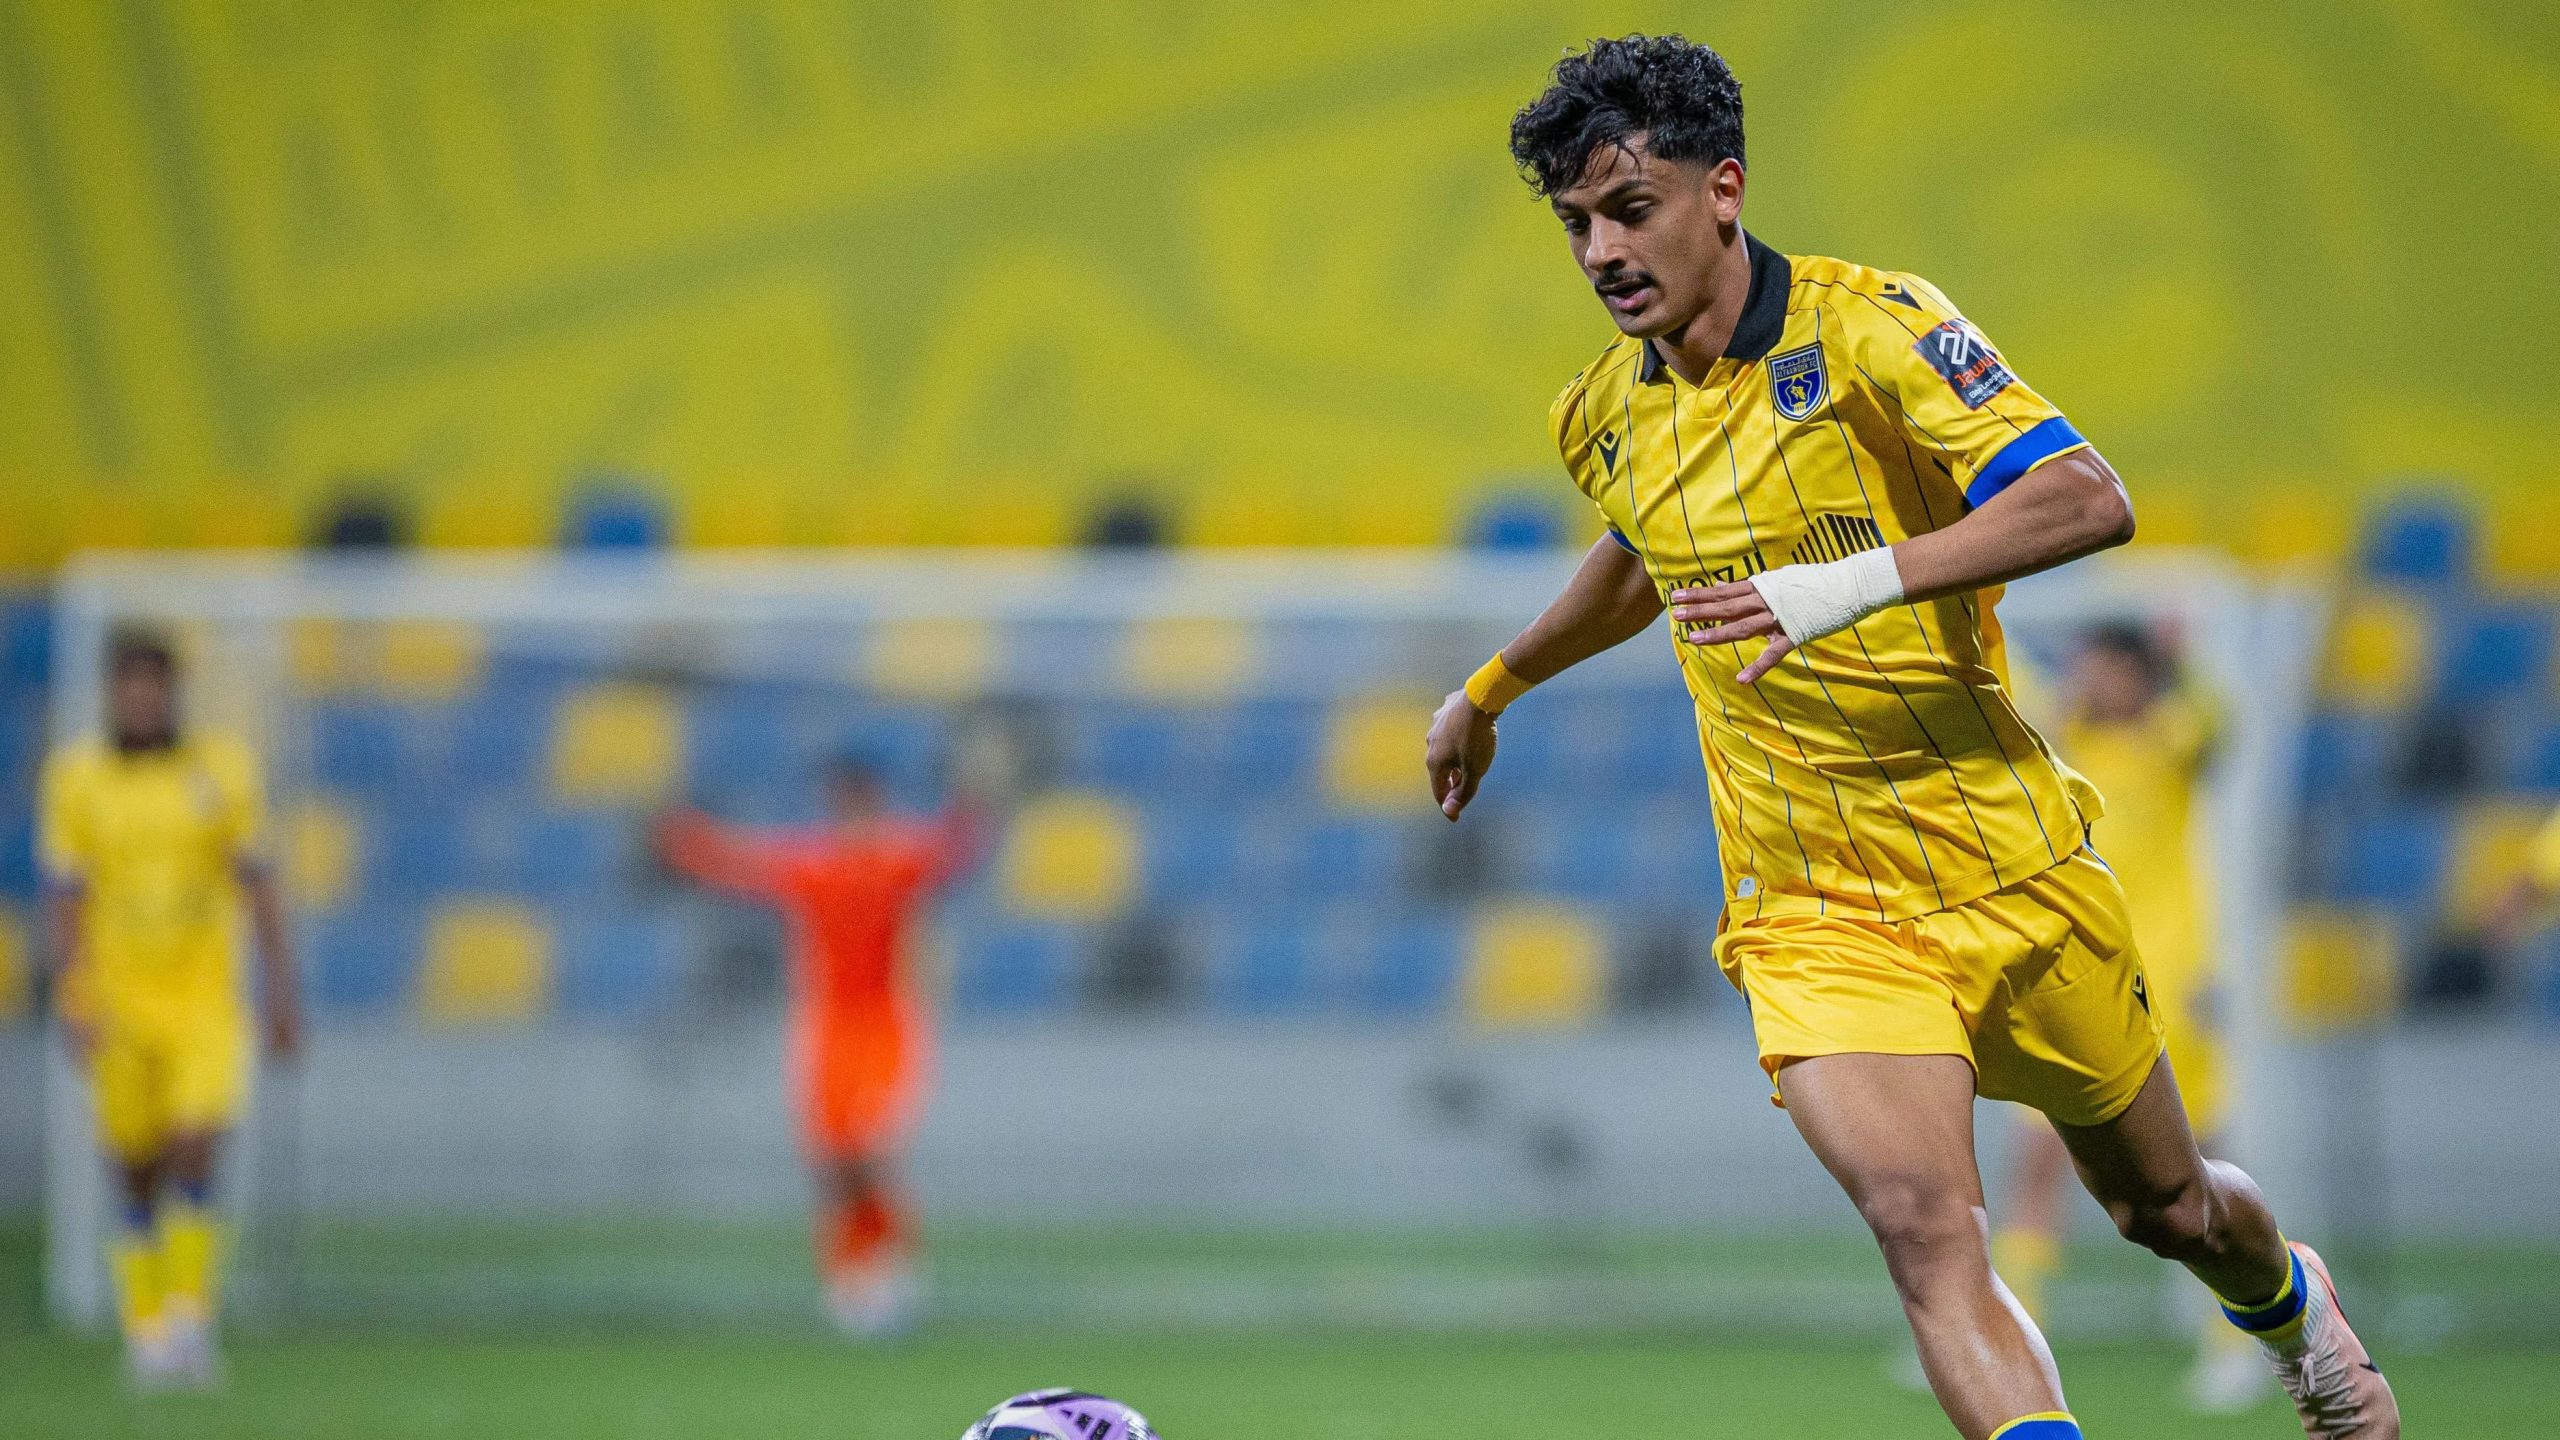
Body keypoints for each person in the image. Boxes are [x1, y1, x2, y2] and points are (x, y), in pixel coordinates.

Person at [1423, 36, 2397, 1439]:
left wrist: (1843, 584)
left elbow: (2086, 498)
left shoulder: (1874, 330)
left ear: (1722, 191)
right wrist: (1491, 687)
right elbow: (1642, 557)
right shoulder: (1601, 415)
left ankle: (2291, 1306)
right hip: (1813, 907)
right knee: (1924, 1226)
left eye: (1629, 209)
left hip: (2008, 867)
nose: (1602, 253)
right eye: (1577, 223)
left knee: (2166, 1208)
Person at [1991, 625, 2267, 1412]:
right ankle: (2011, 1335)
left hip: (2172, 981)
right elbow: (2008, 693)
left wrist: (2187, 651)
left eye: (2107, 670)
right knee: (2037, 1156)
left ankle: (2238, 1343)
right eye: (2086, 668)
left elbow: (2220, 718)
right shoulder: (2061, 742)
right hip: (2075, 980)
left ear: (2143, 677)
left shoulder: (2171, 743)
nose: (2092, 682)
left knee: (2198, 1159)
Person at [42, 630, 301, 1389]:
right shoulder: (78, 780)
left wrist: (280, 990)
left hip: (204, 1002)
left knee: (195, 1142)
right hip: (119, 1004)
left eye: (153, 685)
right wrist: (73, 993)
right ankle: (146, 1327)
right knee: (134, 1168)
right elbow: (66, 896)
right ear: (110, 694)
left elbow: (258, 883)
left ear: (173, 692)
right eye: (128, 685)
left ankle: (190, 1320)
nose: (141, 699)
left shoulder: (220, 771)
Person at [655, 754, 981, 1337]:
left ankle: (887, 1269)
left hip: (885, 1021)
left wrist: (974, 793)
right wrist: (678, 834)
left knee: (871, 1150)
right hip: (827, 1026)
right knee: (833, 1160)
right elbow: (736, 866)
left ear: (874, 803)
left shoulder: (899, 859)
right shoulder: (814, 863)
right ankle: (849, 1275)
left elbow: (956, 850)